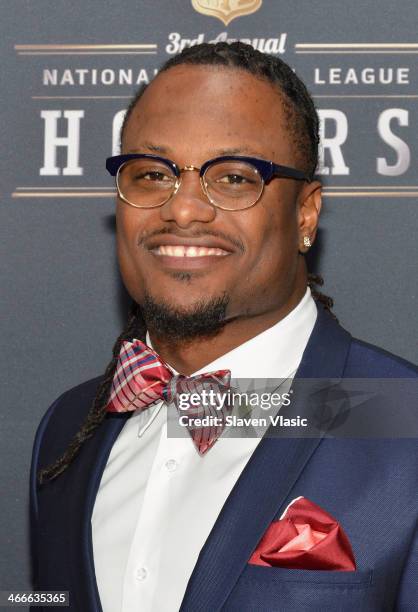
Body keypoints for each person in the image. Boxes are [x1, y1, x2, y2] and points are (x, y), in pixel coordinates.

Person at [30, 42, 417, 611]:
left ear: (305, 213)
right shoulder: (68, 431)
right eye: (152, 173)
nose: (183, 209)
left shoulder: (404, 419)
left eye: (234, 177)